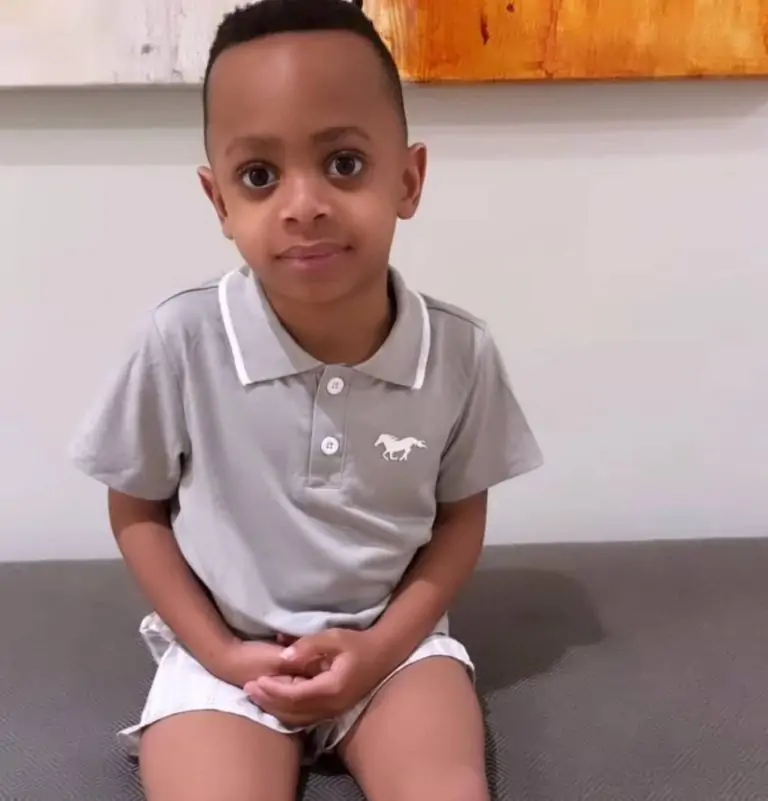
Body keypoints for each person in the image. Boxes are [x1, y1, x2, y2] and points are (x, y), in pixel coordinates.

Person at [69, 1, 543, 799]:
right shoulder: (180, 340)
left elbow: (461, 517)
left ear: (408, 179)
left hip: (394, 655)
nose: (303, 205)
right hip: (227, 659)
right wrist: (220, 653)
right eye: (259, 176)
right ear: (219, 201)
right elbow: (137, 509)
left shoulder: (459, 351)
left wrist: (382, 647)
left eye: (344, 164)